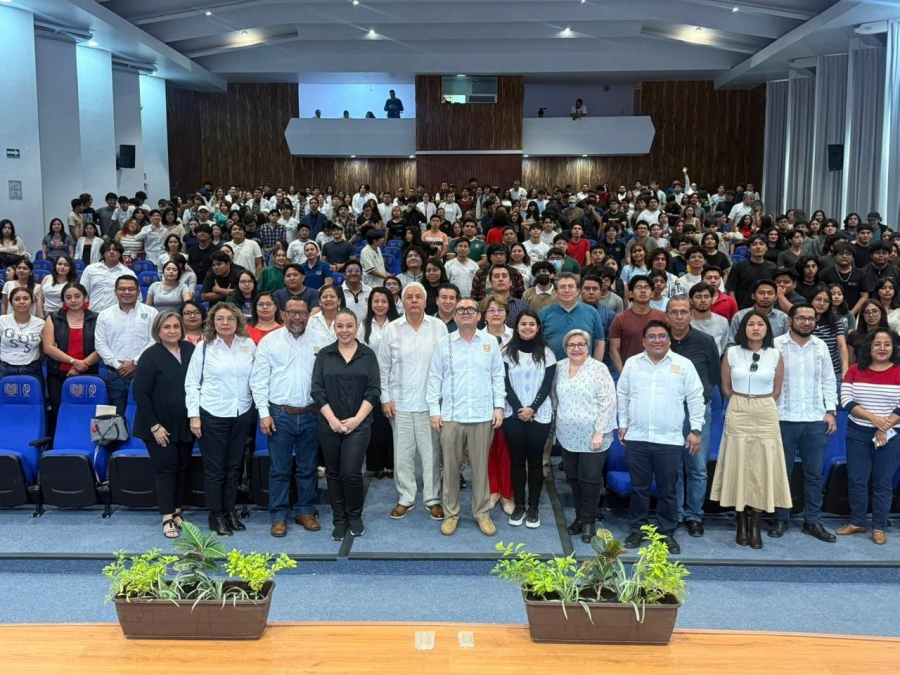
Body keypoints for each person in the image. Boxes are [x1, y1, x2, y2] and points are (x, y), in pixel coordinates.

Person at [618, 320, 704, 555]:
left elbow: (696, 397)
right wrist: (623, 424)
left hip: (669, 439)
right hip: (637, 437)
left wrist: (696, 430)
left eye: (662, 336)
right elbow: (623, 395)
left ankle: (667, 532)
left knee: (668, 489)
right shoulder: (632, 364)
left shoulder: (683, 365)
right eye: (652, 336)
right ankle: (637, 529)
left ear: (669, 339)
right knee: (639, 488)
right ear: (644, 340)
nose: (657, 340)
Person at [711, 311, 791, 550]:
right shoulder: (732, 353)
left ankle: (756, 523)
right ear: (743, 328)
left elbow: (777, 389)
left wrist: (759, 401)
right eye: (751, 324)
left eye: (760, 324)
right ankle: (740, 520)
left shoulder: (775, 354)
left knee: (762, 465)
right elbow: (725, 387)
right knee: (739, 463)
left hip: (766, 408)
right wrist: (743, 401)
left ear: (767, 329)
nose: (755, 328)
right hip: (738, 406)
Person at [427, 296, 505, 536]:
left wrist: (499, 406)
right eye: (461, 310)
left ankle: (482, 513)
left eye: (471, 309)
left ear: (479, 315)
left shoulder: (490, 342)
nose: (466, 312)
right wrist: (434, 410)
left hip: (482, 415)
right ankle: (451, 514)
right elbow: (434, 378)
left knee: (480, 468)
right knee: (450, 469)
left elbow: (497, 377)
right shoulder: (444, 343)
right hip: (451, 416)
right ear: (455, 316)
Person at [379, 282, 448, 520]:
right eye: (409, 297)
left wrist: (442, 401)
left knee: (431, 455)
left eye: (419, 296)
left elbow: (446, 366)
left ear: (426, 300)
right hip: (400, 403)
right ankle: (406, 497)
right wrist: (385, 397)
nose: (414, 300)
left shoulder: (438, 327)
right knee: (403, 455)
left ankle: (432, 498)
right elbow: (383, 367)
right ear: (403, 302)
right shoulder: (391, 329)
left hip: (431, 404)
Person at [186, 302, 256, 536]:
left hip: (241, 412)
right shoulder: (204, 347)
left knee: (234, 467)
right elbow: (192, 383)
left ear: (238, 322)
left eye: (230, 319)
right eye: (220, 319)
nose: (225, 323)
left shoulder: (248, 345)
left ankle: (229, 510)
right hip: (212, 414)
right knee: (215, 469)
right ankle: (215, 514)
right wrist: (194, 416)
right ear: (212, 323)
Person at [770, 303, 838, 542]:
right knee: (782, 473)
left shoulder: (821, 347)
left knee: (814, 474)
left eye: (811, 319)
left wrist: (831, 410)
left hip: (814, 420)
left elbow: (829, 380)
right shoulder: (776, 345)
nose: (807, 322)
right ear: (790, 321)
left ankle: (813, 521)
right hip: (783, 419)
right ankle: (781, 519)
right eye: (801, 318)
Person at [311, 309, 381, 540]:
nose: (344, 330)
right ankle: (339, 519)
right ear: (334, 328)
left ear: (357, 327)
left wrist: (356, 420)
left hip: (359, 424)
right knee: (332, 473)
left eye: (349, 326)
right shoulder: (324, 355)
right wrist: (332, 419)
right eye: (340, 326)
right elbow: (317, 390)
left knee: (350, 473)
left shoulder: (368, 355)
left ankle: (354, 515)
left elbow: (373, 391)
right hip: (328, 423)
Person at [133, 311, 196, 539]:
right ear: (158, 330)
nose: (172, 331)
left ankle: (178, 511)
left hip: (184, 423)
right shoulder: (150, 355)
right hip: (158, 426)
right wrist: (155, 426)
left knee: (181, 468)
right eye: (166, 327)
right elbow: (140, 393)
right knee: (165, 470)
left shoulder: (191, 350)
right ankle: (167, 517)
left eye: (176, 327)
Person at [838, 328, 900, 545]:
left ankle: (879, 526)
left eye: (887, 344)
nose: (882, 348)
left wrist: (884, 427)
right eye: (877, 344)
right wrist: (875, 420)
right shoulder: (854, 370)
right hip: (857, 432)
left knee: (883, 483)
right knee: (857, 480)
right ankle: (857, 521)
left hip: (891, 435)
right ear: (869, 347)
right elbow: (846, 401)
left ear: (894, 348)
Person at [555, 329, 617, 543]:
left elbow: (608, 403)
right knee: (573, 479)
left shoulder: (598, 369)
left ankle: (590, 522)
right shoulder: (559, 368)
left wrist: (599, 432)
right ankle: (580, 517)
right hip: (567, 435)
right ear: (565, 348)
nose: (576, 348)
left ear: (588, 347)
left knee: (589, 479)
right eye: (572, 345)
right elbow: (556, 397)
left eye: (581, 344)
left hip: (594, 436)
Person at [666, 297, 721, 537]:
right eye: (674, 312)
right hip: (667, 411)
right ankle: (676, 514)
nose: (679, 316)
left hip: (697, 411)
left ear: (691, 314)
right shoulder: (659, 340)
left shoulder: (706, 341)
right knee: (673, 466)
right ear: (667, 316)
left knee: (697, 467)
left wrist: (699, 402)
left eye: (683, 312)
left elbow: (713, 375)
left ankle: (694, 515)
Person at [502, 310, 556, 528]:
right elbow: (503, 383)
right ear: (517, 327)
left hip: (539, 415)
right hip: (512, 415)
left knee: (535, 462)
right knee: (516, 461)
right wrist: (519, 408)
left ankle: (533, 507)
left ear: (538, 327)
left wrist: (532, 408)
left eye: (531, 324)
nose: (527, 327)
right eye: (523, 324)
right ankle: (519, 506)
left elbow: (547, 384)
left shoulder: (547, 352)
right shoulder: (505, 352)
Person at [42, 281, 99, 435]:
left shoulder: (97, 318)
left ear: (85, 297)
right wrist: (73, 362)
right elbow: (48, 348)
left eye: (77, 296)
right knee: (59, 413)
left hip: (89, 373)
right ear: (63, 300)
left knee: (87, 416)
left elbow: (101, 347)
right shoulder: (54, 318)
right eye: (68, 297)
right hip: (58, 375)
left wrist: (83, 365)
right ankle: (59, 445)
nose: (73, 300)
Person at [95, 276, 158, 414]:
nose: (127, 292)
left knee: (146, 412)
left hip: (144, 371)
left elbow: (154, 340)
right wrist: (119, 366)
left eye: (131, 289)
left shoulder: (151, 312)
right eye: (122, 289)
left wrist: (135, 363)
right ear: (115, 292)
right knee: (118, 415)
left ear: (138, 291)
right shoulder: (105, 315)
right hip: (115, 374)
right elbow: (100, 344)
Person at [358, 288, 399, 479]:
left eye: (384, 301)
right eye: (376, 301)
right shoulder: (364, 325)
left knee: (393, 424)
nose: (380, 305)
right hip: (370, 380)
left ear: (390, 303)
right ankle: (375, 464)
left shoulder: (398, 324)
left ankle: (391, 464)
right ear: (370, 303)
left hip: (396, 379)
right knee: (375, 425)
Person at [539, 273, 605, 361]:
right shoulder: (544, 313)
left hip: (584, 369)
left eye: (571, 286)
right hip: (552, 368)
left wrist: (595, 367)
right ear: (555, 291)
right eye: (562, 287)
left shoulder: (591, 312)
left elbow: (599, 342)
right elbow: (537, 342)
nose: (567, 290)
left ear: (578, 291)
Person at [608, 276, 667, 373]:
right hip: (630, 372)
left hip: (660, 372)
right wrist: (623, 374)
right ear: (631, 293)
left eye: (647, 288)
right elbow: (614, 350)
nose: (643, 291)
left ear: (652, 293)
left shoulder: (663, 317)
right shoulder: (620, 319)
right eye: (638, 288)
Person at [0, 287, 44, 381]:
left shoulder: (41, 323)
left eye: (26, 298)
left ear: (32, 303)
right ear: (11, 303)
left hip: (32, 369)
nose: (22, 302)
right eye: (17, 299)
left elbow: (44, 349)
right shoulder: (2, 320)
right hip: (4, 368)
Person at [80, 241, 137, 313]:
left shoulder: (128, 273)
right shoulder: (90, 269)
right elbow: (82, 292)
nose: (112, 252)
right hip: (92, 313)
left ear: (120, 253)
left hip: (115, 315)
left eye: (115, 250)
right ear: (103, 253)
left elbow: (136, 297)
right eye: (108, 250)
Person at [727, 279, 789, 345]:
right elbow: (732, 342)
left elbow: (786, 343)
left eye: (770, 293)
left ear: (775, 297)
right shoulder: (740, 316)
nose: (766, 296)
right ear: (753, 296)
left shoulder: (783, 318)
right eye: (761, 293)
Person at [726, 234, 777, 309]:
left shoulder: (773, 267)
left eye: (761, 244)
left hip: (767, 310)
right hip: (742, 309)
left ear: (766, 248)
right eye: (754, 244)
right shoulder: (739, 266)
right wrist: (735, 309)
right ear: (749, 249)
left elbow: (776, 290)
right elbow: (731, 290)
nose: (758, 247)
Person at [689, 283, 729, 355]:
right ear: (691, 301)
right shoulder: (685, 322)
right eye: (698, 297)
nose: (703, 300)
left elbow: (724, 348)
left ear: (712, 300)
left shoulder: (722, 322)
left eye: (706, 297)